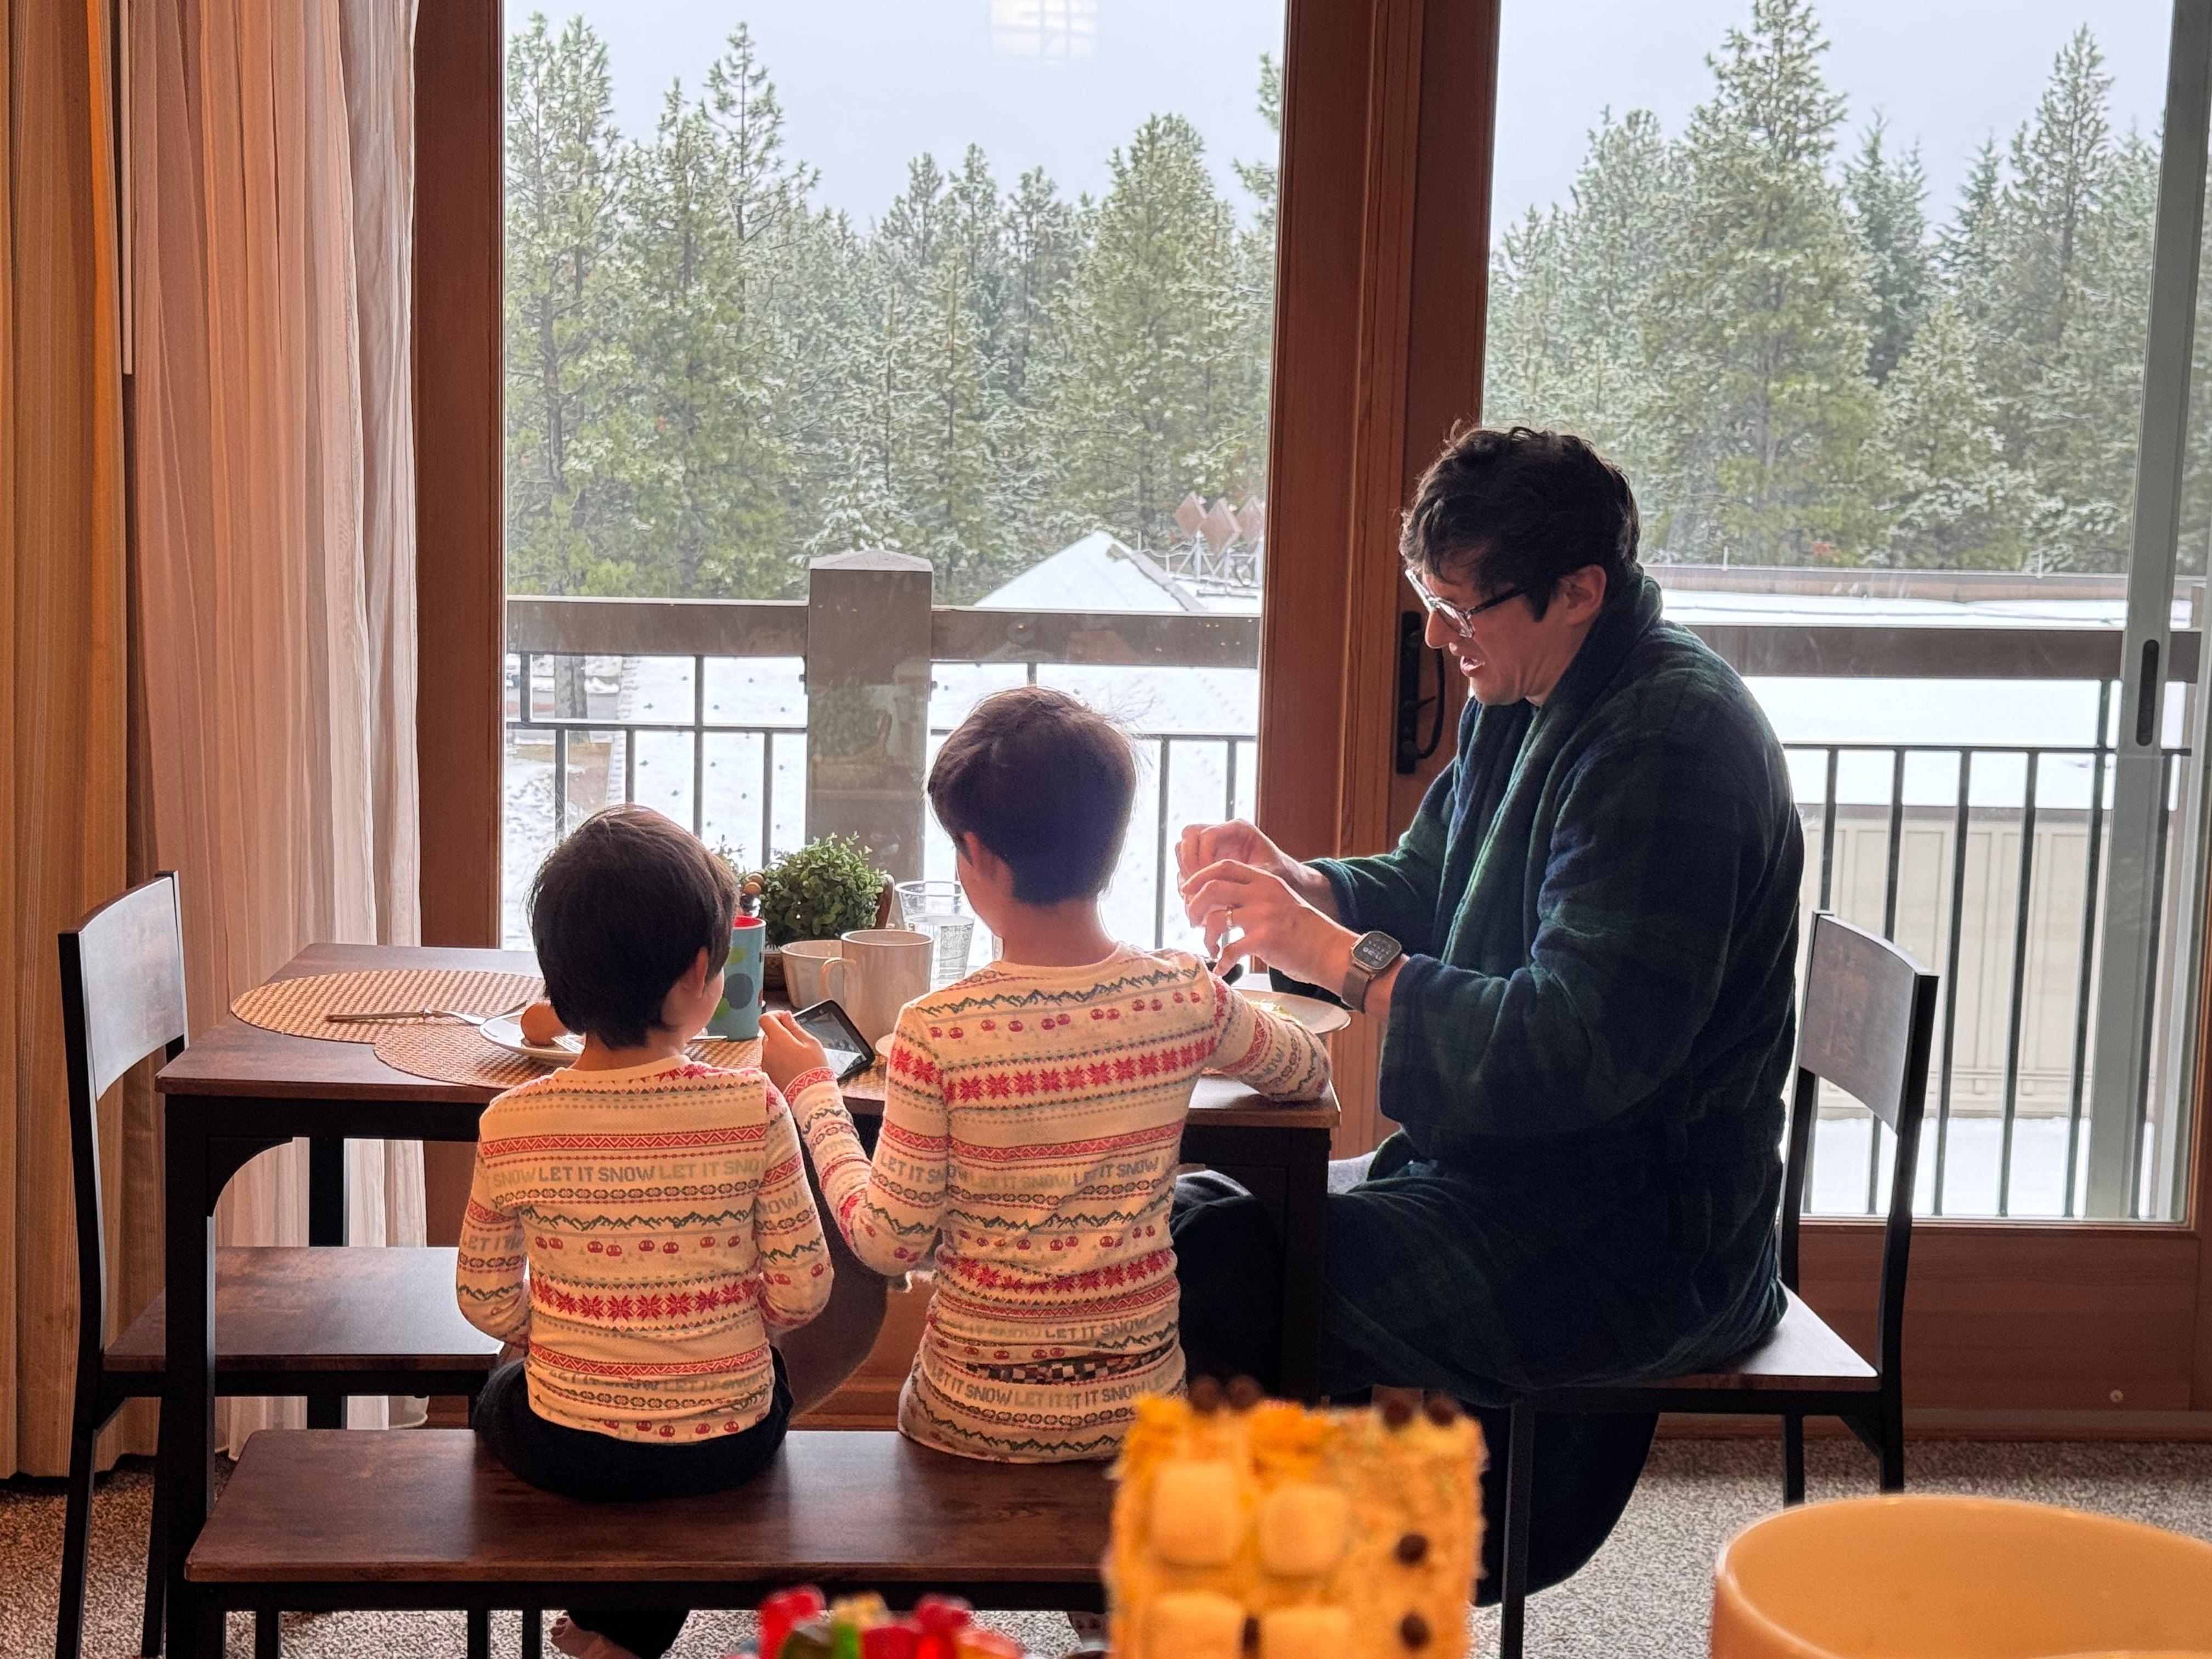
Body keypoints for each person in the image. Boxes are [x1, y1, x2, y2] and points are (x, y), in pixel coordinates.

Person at [1174, 425, 1804, 1594]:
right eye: (1428, 600)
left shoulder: (1670, 745)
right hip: (1522, 1179)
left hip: (1633, 1236)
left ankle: (1307, 1587)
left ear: (1580, 590)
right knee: (1198, 1218)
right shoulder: (1530, 686)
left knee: (1217, 1268)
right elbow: (1430, 880)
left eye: (1461, 611)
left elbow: (1576, 1048)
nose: (1436, 637)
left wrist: (1340, 956)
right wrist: (1300, 887)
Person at [759, 685, 1331, 1462]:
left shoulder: (939, 1030)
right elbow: (1304, 1070)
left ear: (982, 856)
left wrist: (813, 1094)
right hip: (1140, 1422)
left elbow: (889, 1242)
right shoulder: (1184, 994)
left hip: (967, 1419)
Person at [456, 805, 835, 1659]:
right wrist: (725, 1332)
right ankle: (620, 1634)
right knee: (681, 1446)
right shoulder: (754, 1105)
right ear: (703, 971)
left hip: (570, 1442)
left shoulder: (511, 1122)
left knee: (495, 1403)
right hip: (732, 1439)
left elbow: (482, 1299)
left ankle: (610, 1626)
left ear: (560, 984)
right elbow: (806, 1289)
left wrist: (550, 1333)